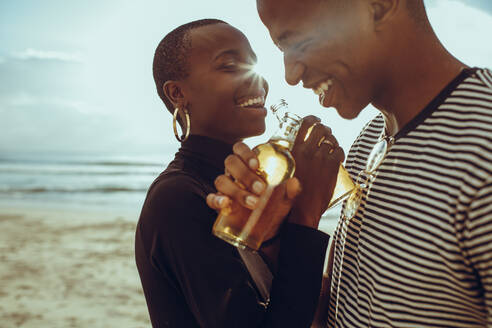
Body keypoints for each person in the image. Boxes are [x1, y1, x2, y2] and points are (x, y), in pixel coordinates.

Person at [207, 0, 492, 327]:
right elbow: (345, 312)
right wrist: (277, 239)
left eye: (300, 41)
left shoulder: (483, 147)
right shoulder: (368, 140)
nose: (290, 74)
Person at [135, 18, 344, 327]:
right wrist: (305, 214)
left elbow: (304, 311)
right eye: (230, 66)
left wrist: (277, 239)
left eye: (253, 65)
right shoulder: (178, 197)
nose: (257, 80)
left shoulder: (244, 185)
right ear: (177, 93)